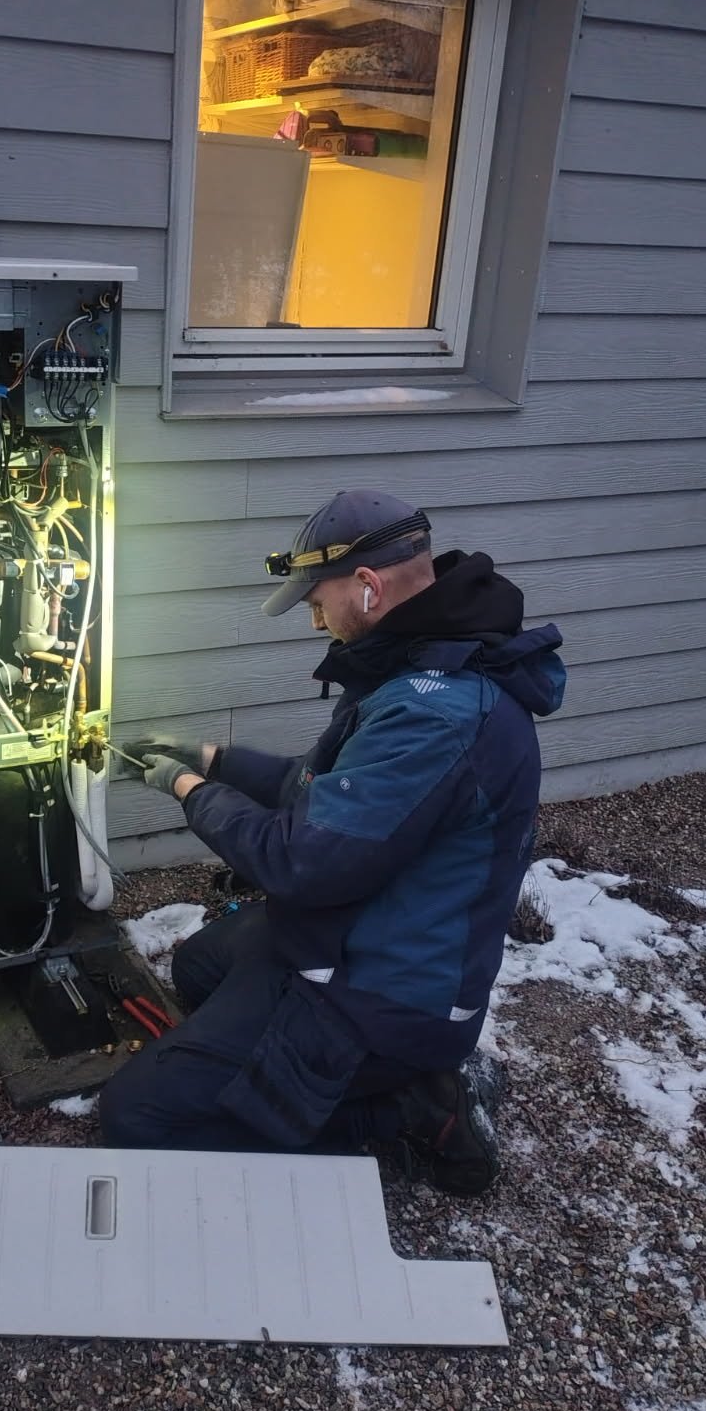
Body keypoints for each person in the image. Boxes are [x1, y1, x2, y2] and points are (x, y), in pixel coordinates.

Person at [99, 490, 565, 1195]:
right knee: (198, 968)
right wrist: (208, 757)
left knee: (138, 1117)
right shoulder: (415, 660)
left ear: (369, 587)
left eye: (316, 601)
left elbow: (300, 861)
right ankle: (289, 1079)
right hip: (357, 933)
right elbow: (318, 789)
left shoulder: (435, 712)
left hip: (391, 994)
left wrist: (187, 791)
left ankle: (406, 1111)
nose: (314, 618)